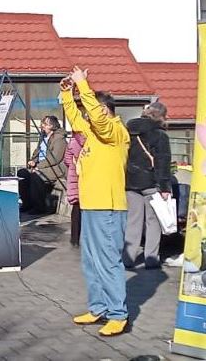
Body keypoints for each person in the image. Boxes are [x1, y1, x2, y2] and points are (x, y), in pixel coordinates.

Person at [60, 67, 131, 337]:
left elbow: (99, 121)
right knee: (90, 260)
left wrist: (83, 85)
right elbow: (75, 119)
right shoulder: (93, 133)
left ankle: (118, 314)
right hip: (90, 205)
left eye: (91, 110)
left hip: (108, 207)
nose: (88, 116)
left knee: (108, 260)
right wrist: (67, 94)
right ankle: (98, 307)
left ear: (103, 110)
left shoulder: (116, 131)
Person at [123, 101, 173, 270]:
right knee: (153, 222)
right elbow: (163, 162)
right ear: (162, 116)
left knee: (133, 221)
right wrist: (165, 187)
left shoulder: (129, 130)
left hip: (131, 181)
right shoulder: (160, 134)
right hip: (152, 183)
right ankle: (151, 258)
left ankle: (128, 258)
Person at [17, 116, 66, 214]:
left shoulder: (59, 139)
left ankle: (39, 207)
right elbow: (37, 153)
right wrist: (33, 161)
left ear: (52, 126)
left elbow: (55, 158)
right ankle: (27, 203)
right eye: (42, 123)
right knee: (22, 174)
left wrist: (38, 167)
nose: (42, 126)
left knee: (36, 176)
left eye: (45, 124)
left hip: (55, 168)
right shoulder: (43, 137)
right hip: (40, 165)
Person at [64, 110, 87, 247]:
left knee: (76, 209)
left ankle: (74, 239)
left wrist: (73, 165)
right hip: (87, 178)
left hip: (74, 177)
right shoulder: (90, 141)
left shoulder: (72, 141)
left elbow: (66, 159)